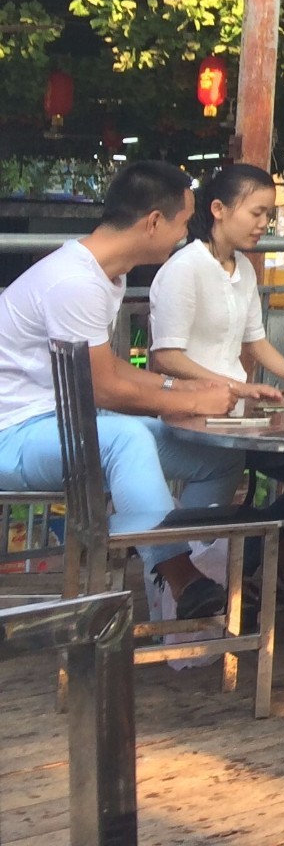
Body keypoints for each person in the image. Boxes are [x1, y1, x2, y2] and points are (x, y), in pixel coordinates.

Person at [0, 162, 241, 619]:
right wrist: (191, 400)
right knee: (124, 438)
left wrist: (188, 385)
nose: (184, 235)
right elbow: (103, 389)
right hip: (12, 434)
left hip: (63, 422)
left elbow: (107, 367)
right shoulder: (74, 282)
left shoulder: (107, 274)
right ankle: (180, 576)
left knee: (217, 455)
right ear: (153, 222)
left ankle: (171, 561)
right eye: (183, 223)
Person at [149, 164, 284, 397]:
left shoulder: (244, 267)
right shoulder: (185, 267)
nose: (264, 224)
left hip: (232, 401)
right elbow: (167, 357)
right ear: (218, 209)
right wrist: (237, 386)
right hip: (188, 403)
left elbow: (255, 341)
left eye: (268, 215)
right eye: (256, 213)